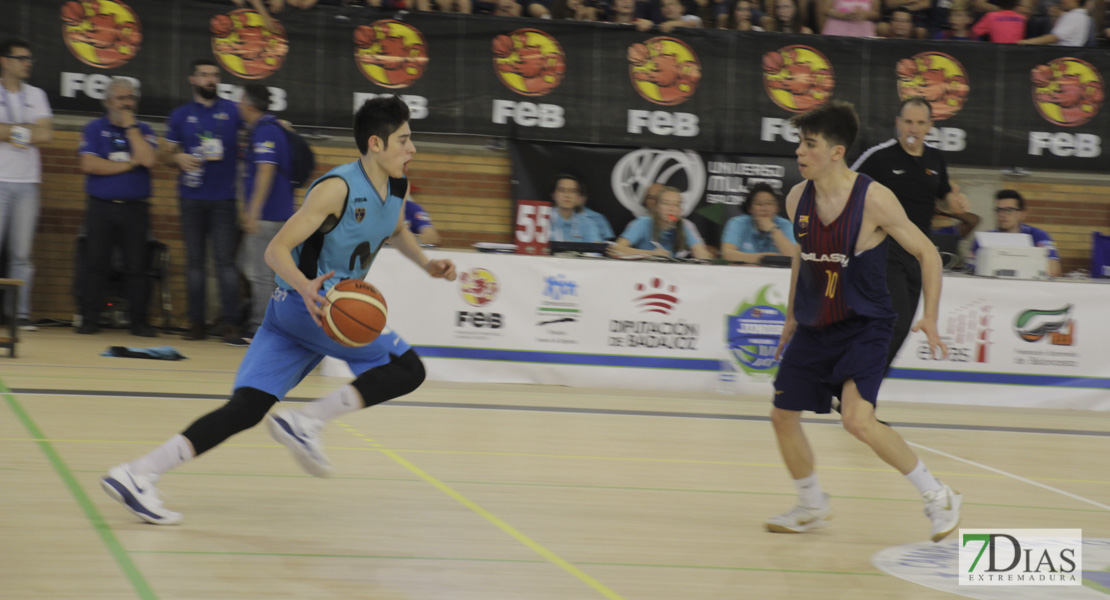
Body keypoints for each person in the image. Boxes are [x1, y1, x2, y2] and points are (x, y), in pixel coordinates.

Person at [100, 96, 457, 525]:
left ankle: (137, 474)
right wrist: (307, 287)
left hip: (299, 314)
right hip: (310, 306)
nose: (412, 148)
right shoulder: (336, 188)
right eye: (405, 139)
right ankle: (306, 422)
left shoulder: (398, 186)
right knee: (408, 369)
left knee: (245, 409)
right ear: (376, 144)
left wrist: (426, 263)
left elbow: (395, 228)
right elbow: (276, 249)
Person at [767, 100, 961, 543]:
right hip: (817, 323)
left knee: (857, 420)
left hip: (865, 324)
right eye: (799, 141)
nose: (800, 151)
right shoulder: (798, 196)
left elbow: (928, 252)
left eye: (809, 143)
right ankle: (812, 504)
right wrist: (792, 317)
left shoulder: (873, 198)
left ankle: (939, 495)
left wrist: (930, 316)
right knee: (782, 415)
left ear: (836, 152)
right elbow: (802, 257)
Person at [851, 97, 966, 369]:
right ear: (898, 123)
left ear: (930, 126)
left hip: (920, 254)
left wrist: (956, 203)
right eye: (908, 122)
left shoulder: (936, 159)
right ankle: (857, 393)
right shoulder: (879, 157)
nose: (913, 129)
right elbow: (846, 187)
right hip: (885, 252)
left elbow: (944, 197)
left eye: (920, 123)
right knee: (895, 320)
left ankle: (860, 397)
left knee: (902, 331)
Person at [163, 59, 246, 345]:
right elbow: (165, 154)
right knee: (194, 263)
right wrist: (177, 158)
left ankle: (231, 324)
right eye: (205, 75)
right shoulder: (180, 115)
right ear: (193, 79)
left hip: (224, 199)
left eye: (215, 75)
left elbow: (257, 128)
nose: (211, 79)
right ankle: (196, 322)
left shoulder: (233, 111)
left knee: (225, 263)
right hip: (191, 199)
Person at [76, 78, 158, 337]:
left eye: (130, 98)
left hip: (135, 209)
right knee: (94, 263)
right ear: (107, 101)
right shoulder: (93, 128)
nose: (126, 103)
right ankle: (89, 319)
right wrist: (129, 165)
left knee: (137, 266)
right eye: (121, 98)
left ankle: (138, 322)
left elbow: (148, 159)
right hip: (101, 207)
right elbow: (89, 165)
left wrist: (131, 127)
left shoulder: (143, 128)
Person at [0, 39, 53, 332]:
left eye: (29, 58)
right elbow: (35, 132)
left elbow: (46, 136)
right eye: (21, 58)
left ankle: (18, 314)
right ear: (5, 61)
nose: (27, 62)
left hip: (27, 183)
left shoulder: (37, 95)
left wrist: (9, 132)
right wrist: (26, 132)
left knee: (22, 254)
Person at [237, 84, 294, 340]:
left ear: (249, 104)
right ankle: (270, 323)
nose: (238, 105)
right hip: (273, 214)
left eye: (241, 100)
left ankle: (259, 327)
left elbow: (266, 170)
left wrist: (253, 211)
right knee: (250, 267)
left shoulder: (266, 131)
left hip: (269, 216)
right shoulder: (267, 129)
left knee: (261, 274)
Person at [969, 189, 1061, 277]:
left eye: (1009, 210)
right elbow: (970, 269)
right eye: (998, 210)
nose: (1002, 214)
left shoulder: (1039, 236)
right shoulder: (983, 240)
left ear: (1022, 214)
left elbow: (1053, 271)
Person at [609, 186, 713, 259]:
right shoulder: (643, 223)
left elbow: (702, 254)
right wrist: (650, 254)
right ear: (657, 207)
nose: (671, 209)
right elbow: (616, 249)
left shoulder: (683, 226)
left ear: (680, 210)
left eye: (676, 205)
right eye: (666, 203)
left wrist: (702, 254)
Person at [720, 182, 796, 263]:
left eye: (769, 203)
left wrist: (773, 230)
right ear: (750, 208)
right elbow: (727, 254)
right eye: (759, 204)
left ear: (777, 208)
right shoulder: (737, 223)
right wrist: (763, 258)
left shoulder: (786, 225)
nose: (764, 208)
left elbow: (794, 257)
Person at [550, 174, 604, 243]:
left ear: (578, 196)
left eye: (572, 191)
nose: (567, 195)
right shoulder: (543, 220)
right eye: (562, 190)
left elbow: (596, 251)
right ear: (553, 195)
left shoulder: (587, 224)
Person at [1018, 0, 1092, 44]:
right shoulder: (1083, 17)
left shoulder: (1074, 17)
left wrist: (1026, 42)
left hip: (1060, 55)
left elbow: (1054, 37)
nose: (1062, 1)